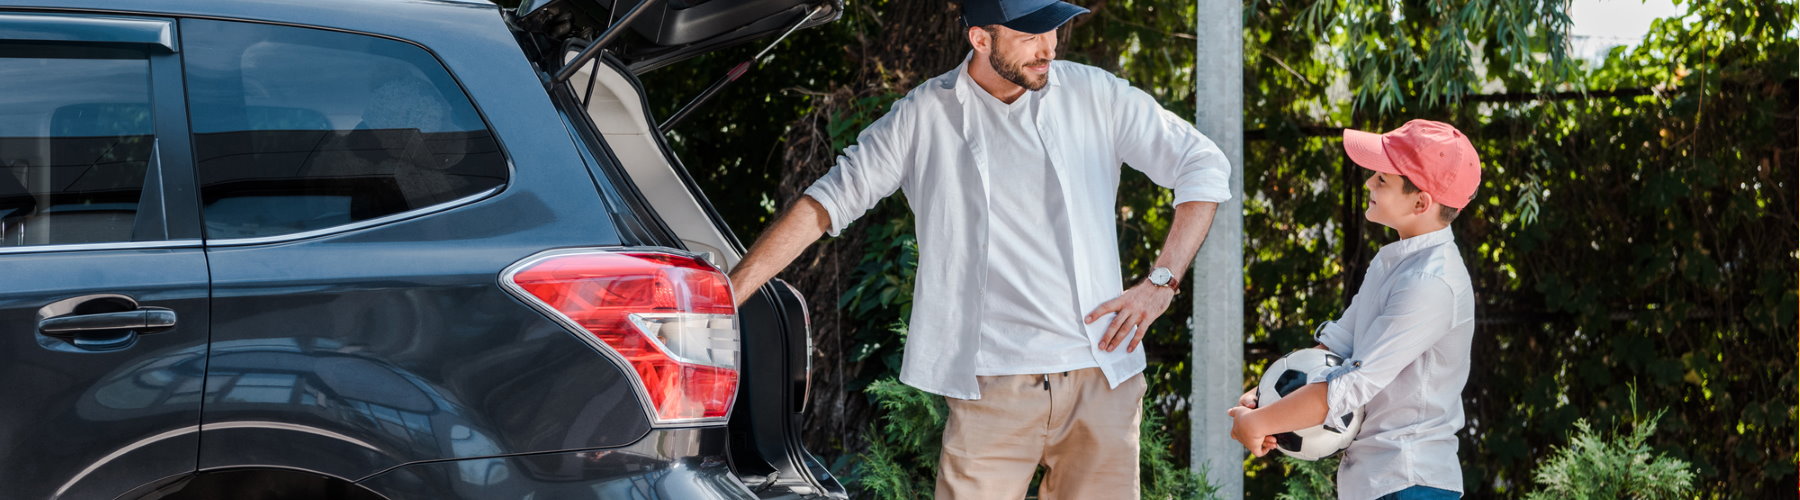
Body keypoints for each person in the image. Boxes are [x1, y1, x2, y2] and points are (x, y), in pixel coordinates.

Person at [724, 0, 1233, 497]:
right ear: (980, 38)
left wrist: (1161, 282)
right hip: (993, 390)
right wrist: (729, 296)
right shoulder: (923, 115)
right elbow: (825, 203)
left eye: (1053, 31)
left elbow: (1203, 164)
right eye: (1031, 35)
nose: (1049, 48)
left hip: (1101, 379)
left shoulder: (1094, 93)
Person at [1225, 119, 1481, 500]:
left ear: (1420, 202)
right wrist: (1268, 396)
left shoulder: (1430, 283)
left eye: (1382, 179)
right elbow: (1337, 348)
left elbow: (1349, 388)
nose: (1368, 184)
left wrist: (1259, 423)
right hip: (1378, 482)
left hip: (1409, 482)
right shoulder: (1393, 263)